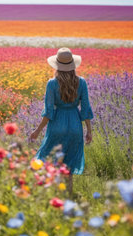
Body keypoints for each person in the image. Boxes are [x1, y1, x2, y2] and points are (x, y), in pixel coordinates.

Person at [30, 47, 94, 196]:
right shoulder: (81, 82)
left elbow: (48, 112)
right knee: (69, 162)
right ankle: (68, 193)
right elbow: (85, 109)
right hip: (75, 125)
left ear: (57, 65)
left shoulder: (52, 83)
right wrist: (89, 131)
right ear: (73, 65)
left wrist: (37, 130)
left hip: (57, 124)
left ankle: (52, 193)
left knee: (49, 157)